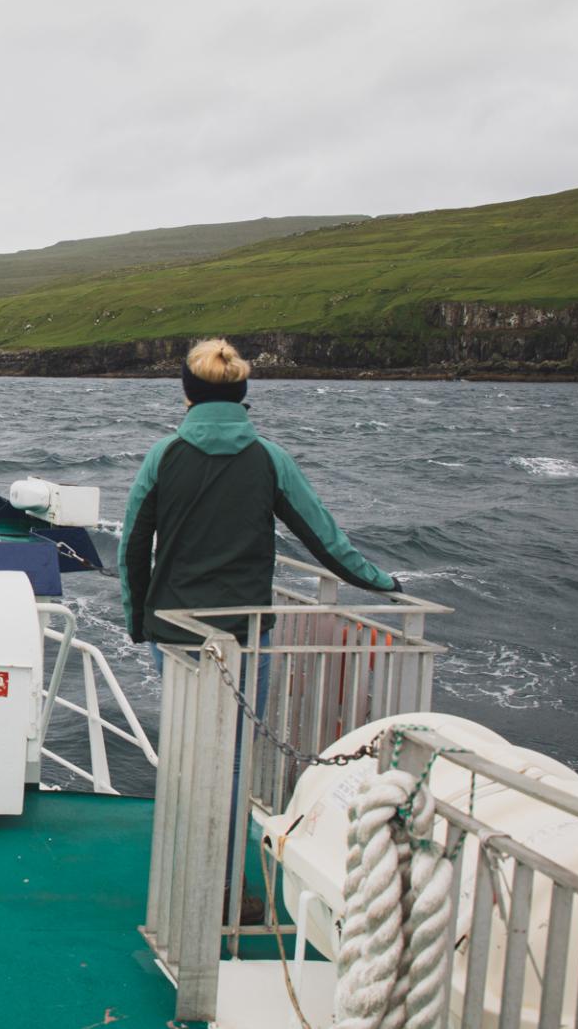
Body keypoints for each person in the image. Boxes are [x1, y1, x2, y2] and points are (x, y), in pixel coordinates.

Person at [119, 338, 401, 920]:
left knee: (185, 752)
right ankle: (224, 889)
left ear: (187, 392)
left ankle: (178, 874)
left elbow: (131, 549)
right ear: (242, 394)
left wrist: (138, 621)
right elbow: (324, 539)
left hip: (176, 634)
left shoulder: (163, 455)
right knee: (236, 759)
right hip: (247, 636)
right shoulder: (269, 458)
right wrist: (381, 581)